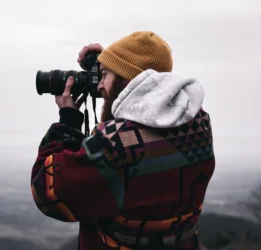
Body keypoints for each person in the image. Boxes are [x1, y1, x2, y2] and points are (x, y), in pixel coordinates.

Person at [30, 31, 215, 250]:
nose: (99, 86)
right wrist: (114, 63)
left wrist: (68, 121)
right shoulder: (199, 123)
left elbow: (47, 192)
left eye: (105, 76)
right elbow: (143, 109)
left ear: (127, 80)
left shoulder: (117, 147)